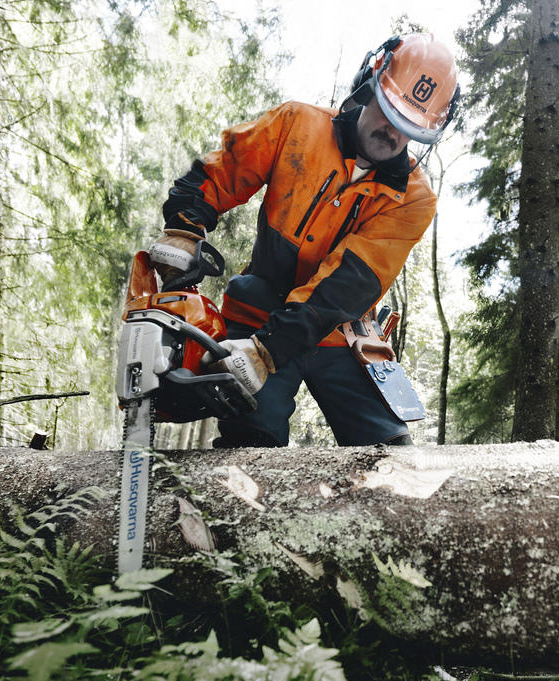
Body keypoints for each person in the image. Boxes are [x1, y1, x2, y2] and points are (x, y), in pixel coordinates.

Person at [148, 33, 460, 448]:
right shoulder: (297, 125)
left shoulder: (414, 199)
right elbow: (221, 171)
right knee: (251, 441)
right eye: (388, 111)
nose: (392, 132)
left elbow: (350, 283)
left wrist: (269, 350)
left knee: (388, 451)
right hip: (259, 307)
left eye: (409, 128)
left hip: (340, 331)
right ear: (368, 85)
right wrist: (186, 226)